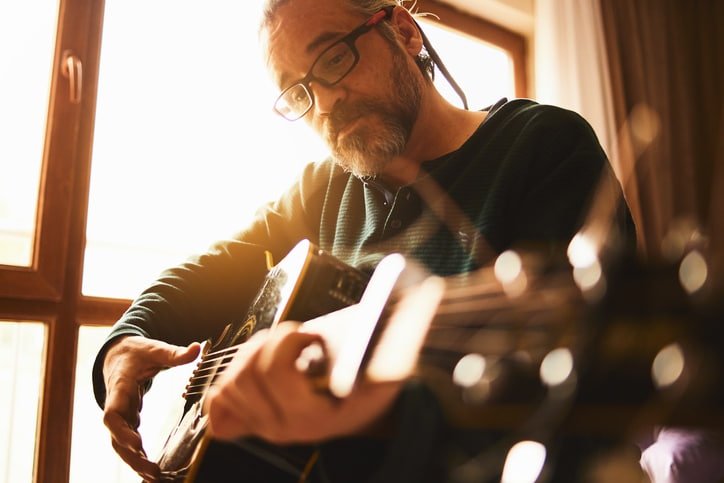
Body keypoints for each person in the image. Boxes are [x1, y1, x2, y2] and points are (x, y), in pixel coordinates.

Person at [92, 0, 635, 481]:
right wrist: (124, 343)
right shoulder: (320, 191)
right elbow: (213, 270)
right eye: (298, 91)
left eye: (332, 58)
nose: (325, 104)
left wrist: (381, 415)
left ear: (403, 32)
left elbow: (577, 415)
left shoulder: (540, 147)